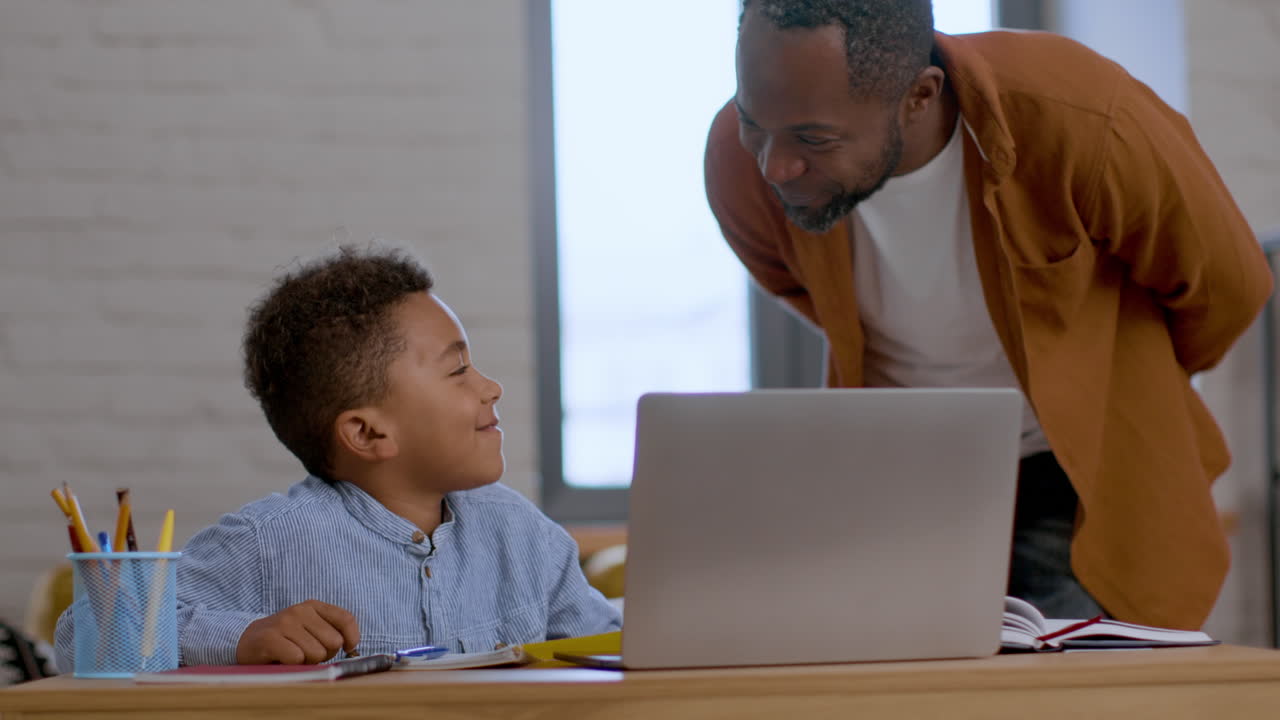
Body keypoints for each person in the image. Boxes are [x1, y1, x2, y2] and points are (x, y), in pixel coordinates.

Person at [705, 0, 1273, 628]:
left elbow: (1227, 285)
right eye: (754, 122)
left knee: (1068, 689)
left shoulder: (1078, 116)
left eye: (815, 138)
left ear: (920, 96)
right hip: (904, 473)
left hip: (1075, 478)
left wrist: (1129, 379)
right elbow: (795, 286)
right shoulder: (741, 161)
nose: (775, 165)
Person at [56, 245, 620, 668]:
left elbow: (613, 646)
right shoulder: (268, 542)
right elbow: (81, 635)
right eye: (457, 370)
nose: (491, 387)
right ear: (369, 434)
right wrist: (245, 636)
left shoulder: (521, 533)